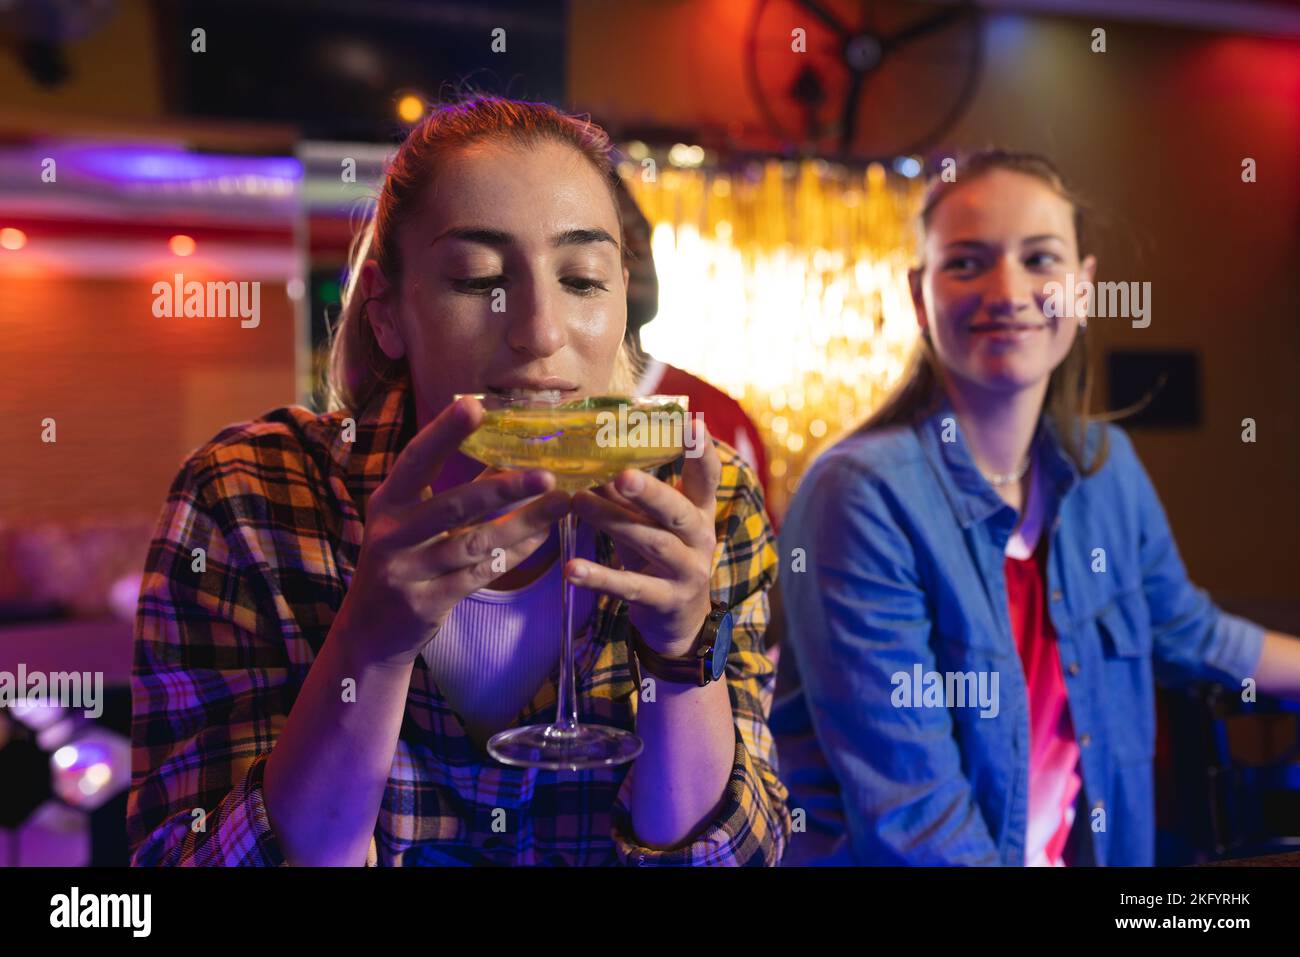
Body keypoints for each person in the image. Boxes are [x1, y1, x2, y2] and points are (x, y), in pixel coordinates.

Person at [127, 95, 789, 866]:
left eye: (581, 278)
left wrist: (680, 656)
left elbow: (729, 860)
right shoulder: (246, 499)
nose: (540, 331)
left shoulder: (703, 498)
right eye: (479, 279)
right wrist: (368, 647)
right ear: (385, 311)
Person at [775, 149, 1300, 866]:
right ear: (919, 296)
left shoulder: (1106, 468)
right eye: (966, 262)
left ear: (1083, 290)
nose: (1008, 289)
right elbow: (917, 824)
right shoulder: (861, 495)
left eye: (1040, 259)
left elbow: (1193, 633)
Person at [613, 176, 772, 511]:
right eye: (618, 242)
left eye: (644, 234)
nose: (640, 250)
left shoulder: (718, 418)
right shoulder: (523, 428)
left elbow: (762, 561)